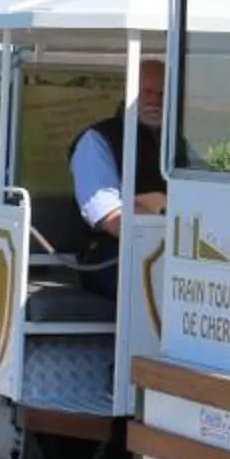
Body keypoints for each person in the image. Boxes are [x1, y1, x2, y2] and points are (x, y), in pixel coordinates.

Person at [68, 60, 166, 301]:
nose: (155, 100)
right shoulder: (97, 140)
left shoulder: (178, 144)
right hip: (108, 258)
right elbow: (110, 217)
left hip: (168, 253)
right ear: (129, 93)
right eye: (147, 92)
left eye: (163, 93)